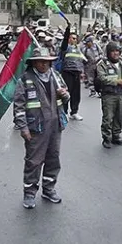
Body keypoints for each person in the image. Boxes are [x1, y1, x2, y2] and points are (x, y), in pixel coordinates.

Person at [14, 48, 69, 209]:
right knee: (34, 161)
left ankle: (48, 189)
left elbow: (66, 97)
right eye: (40, 61)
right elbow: (19, 106)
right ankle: (29, 193)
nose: (44, 64)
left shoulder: (56, 76)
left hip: (55, 125)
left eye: (47, 61)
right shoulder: (25, 79)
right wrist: (23, 127)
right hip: (36, 127)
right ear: (33, 63)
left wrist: (65, 95)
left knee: (53, 158)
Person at [96, 41, 122, 148]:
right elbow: (102, 78)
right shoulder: (102, 64)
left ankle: (116, 136)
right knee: (108, 118)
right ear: (108, 52)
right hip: (109, 94)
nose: (116, 53)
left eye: (117, 51)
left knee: (120, 116)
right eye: (113, 51)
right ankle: (106, 138)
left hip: (121, 93)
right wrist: (116, 81)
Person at [60, 32, 86, 121]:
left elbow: (81, 61)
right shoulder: (65, 48)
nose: (74, 40)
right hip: (67, 72)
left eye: (75, 38)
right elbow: (64, 42)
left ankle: (74, 112)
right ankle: (65, 112)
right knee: (66, 93)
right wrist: (67, 30)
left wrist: (82, 72)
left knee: (76, 94)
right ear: (69, 39)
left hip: (77, 73)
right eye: (72, 38)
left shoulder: (78, 49)